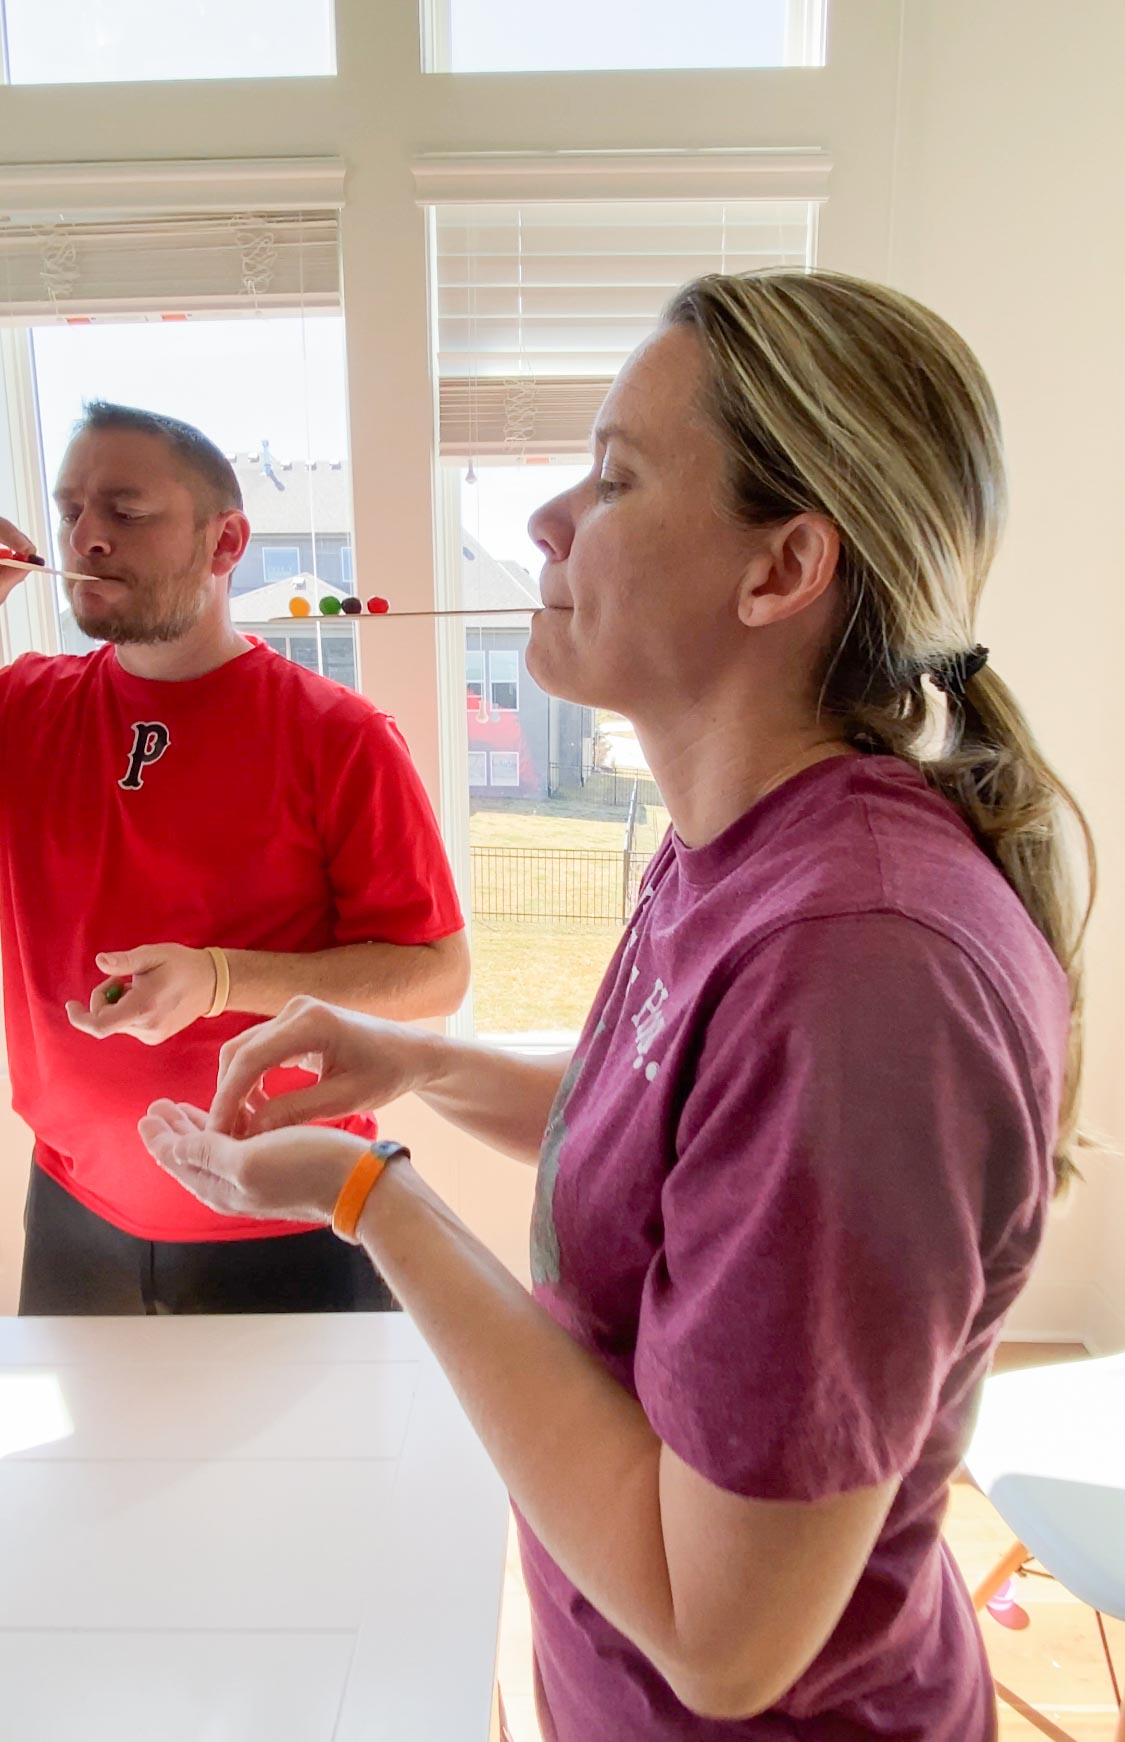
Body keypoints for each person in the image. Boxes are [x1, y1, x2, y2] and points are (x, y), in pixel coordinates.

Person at [139, 270, 1093, 1740]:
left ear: (779, 571)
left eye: (614, 476)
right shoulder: (750, 850)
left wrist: (368, 1197)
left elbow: (721, 1638)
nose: (542, 521)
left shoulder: (863, 974)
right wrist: (422, 1056)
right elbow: (675, 1109)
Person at [0, 400, 468, 1316]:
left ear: (225, 544)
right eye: (69, 512)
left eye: (126, 512)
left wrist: (218, 980)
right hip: (72, 1210)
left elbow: (434, 977)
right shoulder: (21, 710)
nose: (87, 538)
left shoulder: (340, 739)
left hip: (292, 1215)